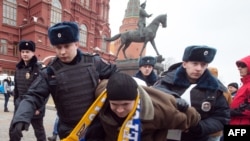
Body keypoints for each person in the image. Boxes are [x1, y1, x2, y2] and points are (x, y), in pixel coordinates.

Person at [9, 21, 117, 141]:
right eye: (58, 47)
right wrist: (21, 117)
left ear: (76, 44)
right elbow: (33, 95)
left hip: (96, 128)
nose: (62, 52)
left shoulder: (93, 62)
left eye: (67, 46)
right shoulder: (50, 72)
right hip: (70, 132)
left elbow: (116, 75)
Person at [153, 45, 230, 141]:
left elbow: (221, 117)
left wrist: (199, 127)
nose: (199, 68)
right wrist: (173, 98)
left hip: (198, 137)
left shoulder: (216, 88)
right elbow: (156, 92)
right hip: (166, 136)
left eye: (203, 65)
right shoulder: (166, 80)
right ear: (185, 64)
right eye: (195, 63)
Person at [94, 72, 201, 141]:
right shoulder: (102, 97)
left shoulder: (161, 111)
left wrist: (179, 103)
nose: (120, 110)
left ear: (135, 99)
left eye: (126, 104)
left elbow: (194, 118)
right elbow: (104, 84)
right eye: (114, 104)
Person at [8, 40, 47, 141]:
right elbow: (16, 89)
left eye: (27, 52)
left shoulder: (39, 68)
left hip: (35, 107)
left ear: (33, 52)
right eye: (23, 51)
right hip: (20, 105)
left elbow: (45, 91)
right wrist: (16, 103)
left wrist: (40, 108)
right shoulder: (18, 68)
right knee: (13, 130)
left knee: (39, 131)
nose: (25, 54)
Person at [207, 67, 232, 141]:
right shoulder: (225, 90)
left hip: (205, 126)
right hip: (217, 128)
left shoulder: (204, 86)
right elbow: (230, 104)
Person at [229, 55, 250, 125]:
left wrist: (233, 111)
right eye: (239, 66)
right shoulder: (244, 85)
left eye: (243, 65)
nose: (239, 68)